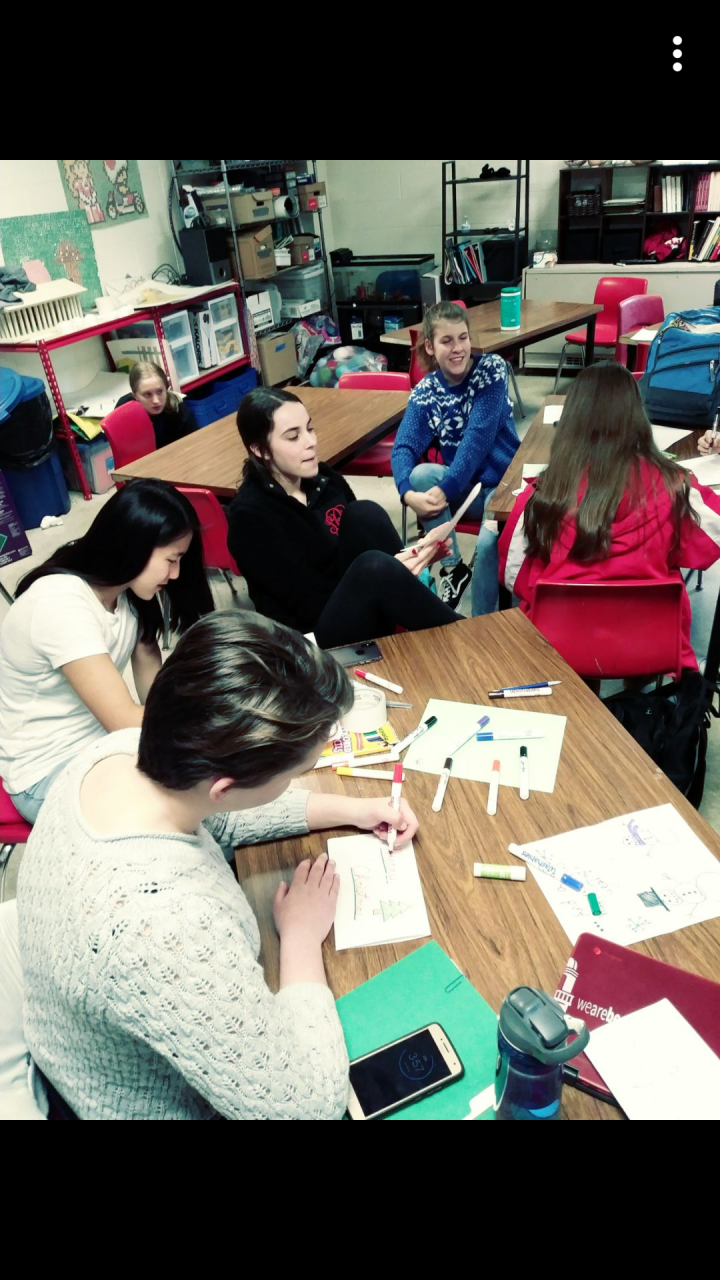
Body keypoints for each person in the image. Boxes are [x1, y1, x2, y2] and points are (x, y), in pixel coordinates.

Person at [16, 611, 420, 1120]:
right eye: (296, 772)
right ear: (224, 787)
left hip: (76, 1040)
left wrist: (355, 809)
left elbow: (218, 816)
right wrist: (299, 938)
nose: (298, 779)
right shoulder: (163, 927)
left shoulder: (118, 752)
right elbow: (300, 1108)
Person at [0, 479, 213, 822]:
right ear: (135, 546)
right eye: (171, 560)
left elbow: (155, 695)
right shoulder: (61, 604)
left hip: (101, 746)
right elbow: (123, 719)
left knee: (207, 784)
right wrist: (212, 725)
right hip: (44, 772)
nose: (175, 574)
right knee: (185, 808)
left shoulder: (130, 596)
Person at [499, 363, 720, 673]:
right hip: (652, 646)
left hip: (558, 651)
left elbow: (514, 577)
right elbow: (710, 543)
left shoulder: (544, 492)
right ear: (636, 416)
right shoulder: (676, 486)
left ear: (572, 419)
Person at [226, 387, 460, 645]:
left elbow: (360, 547)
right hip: (306, 641)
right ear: (261, 450)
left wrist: (413, 559)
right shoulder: (250, 517)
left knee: (364, 514)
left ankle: (455, 630)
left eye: (309, 429)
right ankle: (468, 636)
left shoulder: (324, 479)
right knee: (374, 567)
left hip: (355, 604)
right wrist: (386, 573)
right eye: (293, 437)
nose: (310, 442)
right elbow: (307, 604)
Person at [391, 301, 520, 614]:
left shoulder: (491, 370)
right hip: (466, 489)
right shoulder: (426, 391)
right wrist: (408, 494)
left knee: (488, 543)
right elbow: (403, 447)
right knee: (419, 477)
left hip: (503, 486)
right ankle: (454, 569)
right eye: (447, 341)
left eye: (463, 338)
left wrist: (445, 488)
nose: (458, 348)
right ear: (430, 347)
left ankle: (479, 623)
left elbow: (477, 439)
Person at [115, 360, 197, 449]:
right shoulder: (123, 411)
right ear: (135, 396)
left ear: (166, 389)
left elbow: (197, 442)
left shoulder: (178, 410)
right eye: (147, 394)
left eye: (160, 391)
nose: (156, 401)